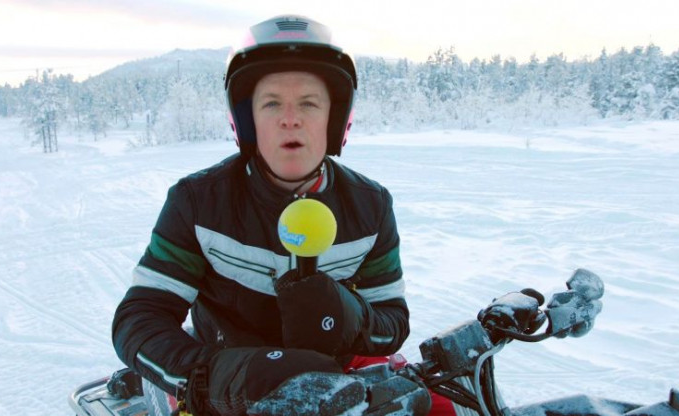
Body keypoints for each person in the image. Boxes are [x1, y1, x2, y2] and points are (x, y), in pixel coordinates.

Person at [112, 15, 455, 415]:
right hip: (229, 384)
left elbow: (392, 319)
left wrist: (349, 316)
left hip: (338, 375)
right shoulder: (198, 203)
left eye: (308, 103)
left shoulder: (370, 207)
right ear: (248, 121)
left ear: (334, 119)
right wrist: (217, 375)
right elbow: (139, 319)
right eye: (271, 103)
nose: (290, 118)